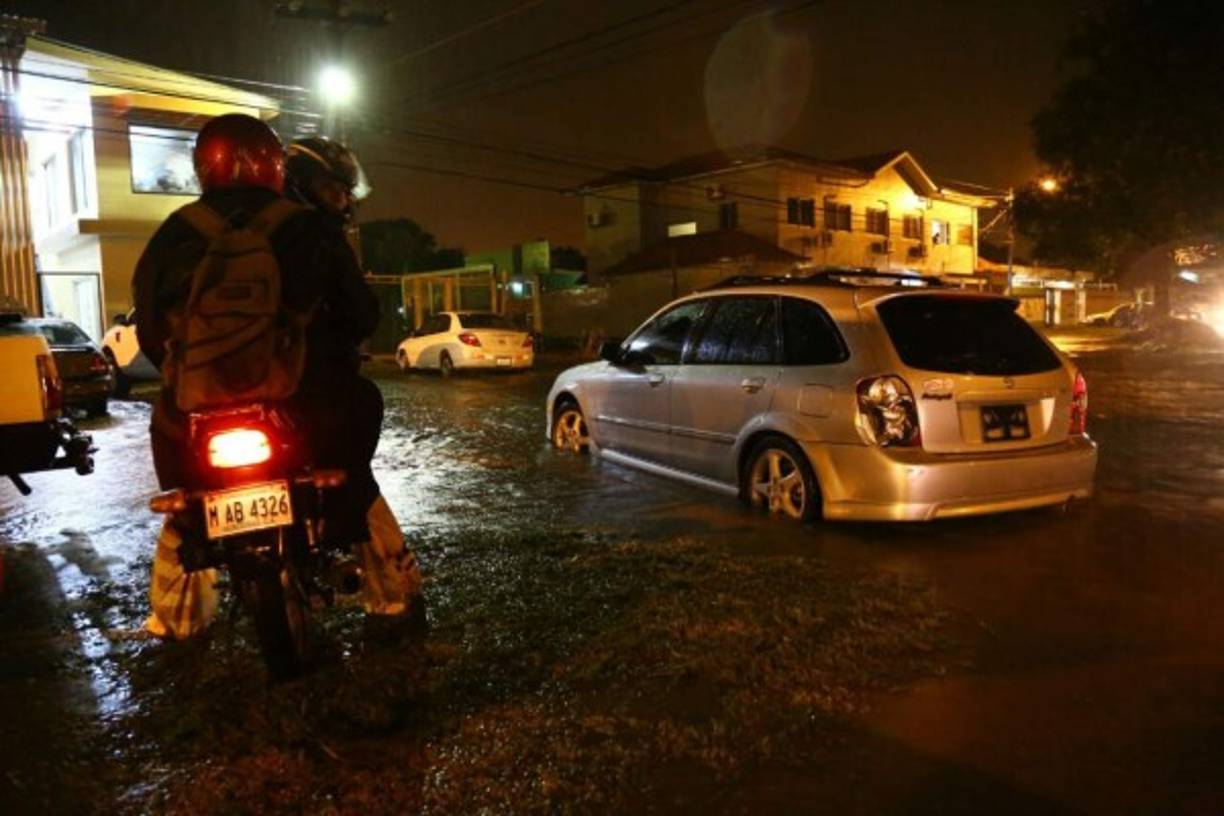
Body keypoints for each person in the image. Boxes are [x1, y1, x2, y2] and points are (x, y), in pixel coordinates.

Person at [134, 114, 419, 638]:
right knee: (352, 480)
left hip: (197, 407)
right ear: (271, 165)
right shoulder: (307, 229)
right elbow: (361, 312)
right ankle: (393, 599)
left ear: (204, 166)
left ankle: (174, 622)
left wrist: (188, 379)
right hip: (305, 402)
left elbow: (150, 329)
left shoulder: (176, 231)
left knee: (185, 501)